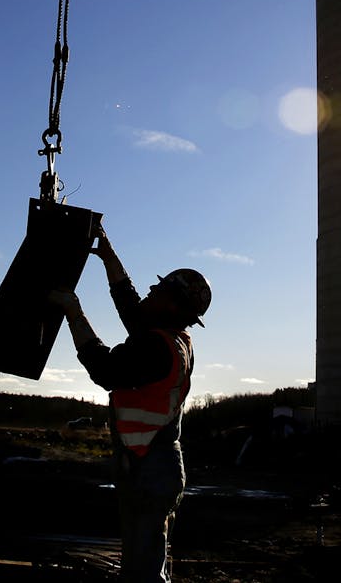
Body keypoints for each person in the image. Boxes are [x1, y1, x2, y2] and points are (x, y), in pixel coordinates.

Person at [50, 224, 211, 583]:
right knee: (142, 564)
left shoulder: (158, 347)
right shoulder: (170, 337)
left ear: (172, 304)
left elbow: (105, 369)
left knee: (143, 573)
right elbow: (130, 305)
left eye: (159, 289)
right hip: (151, 465)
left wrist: (73, 312)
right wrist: (108, 256)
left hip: (152, 468)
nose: (150, 291)